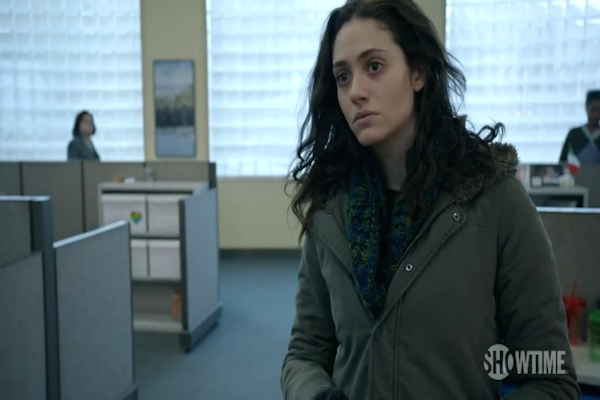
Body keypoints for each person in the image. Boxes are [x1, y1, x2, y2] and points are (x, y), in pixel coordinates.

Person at [281, 1, 579, 399]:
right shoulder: (330, 209)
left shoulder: (496, 201)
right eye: (342, 76)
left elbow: (551, 376)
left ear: (418, 73)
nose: (355, 92)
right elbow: (304, 354)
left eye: (374, 66)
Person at [559, 89, 600, 164]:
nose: (596, 115)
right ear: (586, 108)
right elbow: (562, 163)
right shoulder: (574, 135)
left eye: (599, 111)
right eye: (593, 110)